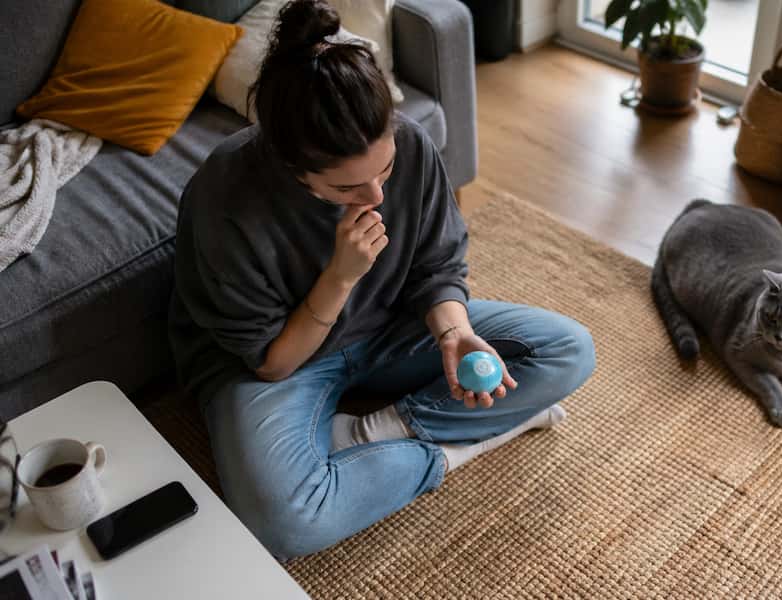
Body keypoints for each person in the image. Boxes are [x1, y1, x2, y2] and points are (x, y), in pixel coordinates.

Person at [168, 0, 595, 560]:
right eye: (346, 188)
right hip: (281, 363)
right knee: (283, 523)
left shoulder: (411, 144)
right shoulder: (223, 200)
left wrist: (454, 333)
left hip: (390, 329)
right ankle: (463, 445)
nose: (375, 196)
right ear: (290, 165)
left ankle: (371, 434)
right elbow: (271, 362)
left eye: (385, 171)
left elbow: (437, 266)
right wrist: (339, 278)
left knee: (569, 349)